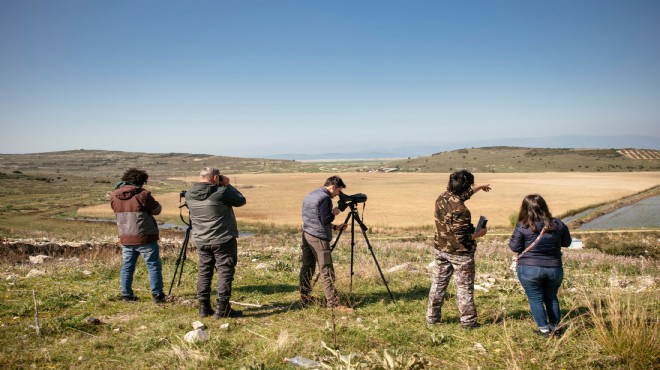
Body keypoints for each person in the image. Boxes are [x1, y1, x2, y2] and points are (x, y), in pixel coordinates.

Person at [426, 170, 491, 328]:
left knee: (438, 283)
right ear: (466, 186)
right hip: (460, 254)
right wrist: (479, 234)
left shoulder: (442, 198)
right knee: (464, 287)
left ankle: (432, 318)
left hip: (441, 248)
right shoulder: (462, 210)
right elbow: (462, 237)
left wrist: (479, 187)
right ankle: (468, 322)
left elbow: (460, 195)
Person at [185, 167, 246, 318]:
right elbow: (241, 200)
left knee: (204, 272)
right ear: (215, 178)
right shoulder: (221, 192)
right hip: (222, 239)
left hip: (201, 239)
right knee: (225, 272)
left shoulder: (189, 194)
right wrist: (227, 184)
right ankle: (222, 309)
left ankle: (203, 308)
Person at [509, 194, 571, 338]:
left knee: (535, 298)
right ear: (544, 206)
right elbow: (566, 242)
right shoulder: (558, 223)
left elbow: (514, 247)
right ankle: (555, 328)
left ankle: (544, 330)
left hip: (529, 269)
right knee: (552, 297)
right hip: (554, 268)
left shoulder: (523, 225)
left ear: (524, 208)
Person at [110, 168, 166, 303]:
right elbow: (157, 210)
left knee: (127, 266)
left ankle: (126, 295)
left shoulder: (114, 195)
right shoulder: (142, 194)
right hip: (145, 236)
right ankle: (157, 295)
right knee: (153, 265)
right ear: (142, 181)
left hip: (126, 236)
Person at [299, 175, 351, 312]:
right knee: (326, 270)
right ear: (333, 187)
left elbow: (314, 217)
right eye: (338, 191)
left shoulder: (312, 194)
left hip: (307, 234)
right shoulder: (325, 198)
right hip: (319, 237)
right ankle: (333, 304)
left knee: (307, 266)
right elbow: (325, 218)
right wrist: (334, 212)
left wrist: (334, 227)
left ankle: (304, 296)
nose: (337, 195)